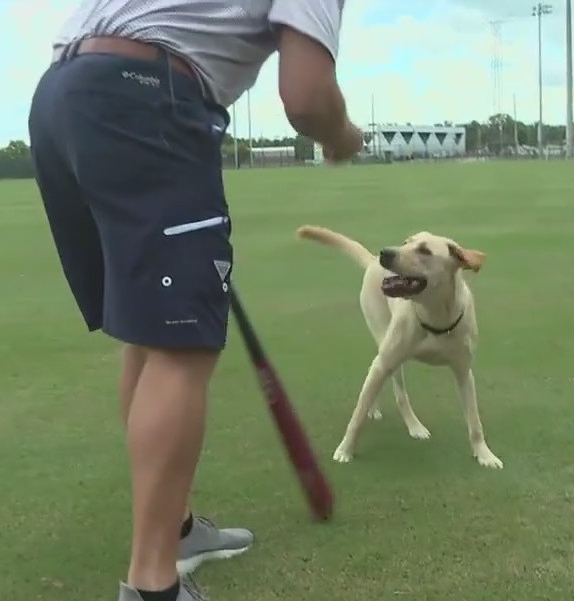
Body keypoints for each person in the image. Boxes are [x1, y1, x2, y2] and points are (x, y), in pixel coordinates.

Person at [26, 1, 362, 600]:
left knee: (152, 333)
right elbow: (306, 95)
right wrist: (342, 135)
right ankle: (154, 585)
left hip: (63, 96)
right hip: (143, 97)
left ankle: (173, 529)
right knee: (182, 344)